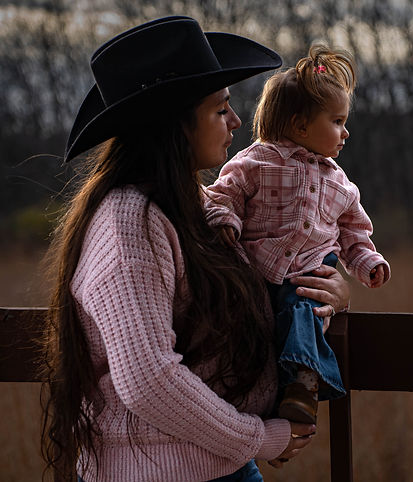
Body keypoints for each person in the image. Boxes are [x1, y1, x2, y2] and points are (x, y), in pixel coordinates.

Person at [39, 17, 350, 482]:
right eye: (220, 109)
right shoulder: (129, 225)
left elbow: (269, 280)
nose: (237, 122)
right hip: (156, 474)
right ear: (175, 125)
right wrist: (259, 436)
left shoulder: (200, 206)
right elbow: (148, 381)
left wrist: (331, 292)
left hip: (222, 466)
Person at [204, 44, 391, 425]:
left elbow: (353, 233)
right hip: (257, 267)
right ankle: (250, 393)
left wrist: (368, 262)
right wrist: (225, 221)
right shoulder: (256, 161)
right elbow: (223, 195)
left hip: (308, 269)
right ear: (300, 125)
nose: (346, 132)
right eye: (336, 122)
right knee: (247, 321)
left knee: (302, 310)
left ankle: (304, 383)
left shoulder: (341, 184)